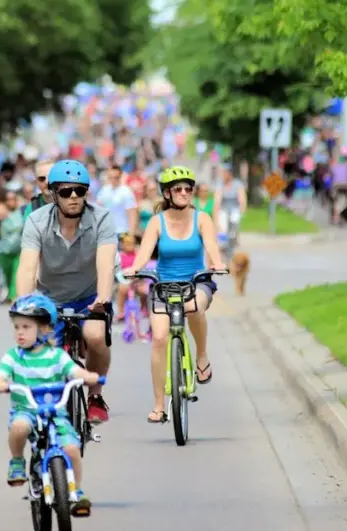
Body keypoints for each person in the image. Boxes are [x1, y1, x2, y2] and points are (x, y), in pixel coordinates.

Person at [16, 159, 117, 424]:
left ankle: (95, 395)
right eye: (65, 191)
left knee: (96, 336)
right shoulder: (36, 221)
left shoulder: (102, 219)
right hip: (50, 299)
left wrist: (103, 298)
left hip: (90, 297)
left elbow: (105, 264)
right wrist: (24, 306)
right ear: (53, 194)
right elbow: (27, 268)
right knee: (47, 357)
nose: (73, 197)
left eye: (80, 191)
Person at [124, 166, 226, 424]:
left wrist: (217, 263)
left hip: (196, 281)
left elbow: (212, 245)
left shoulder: (201, 218)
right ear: (167, 193)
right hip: (163, 285)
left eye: (188, 189)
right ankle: (159, 406)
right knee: (159, 338)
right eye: (178, 189)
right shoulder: (157, 221)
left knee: (193, 307)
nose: (184, 193)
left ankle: (201, 355)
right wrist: (135, 268)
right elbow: (145, 250)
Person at [0, 294, 98, 517]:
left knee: (71, 448)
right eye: (17, 327)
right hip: (26, 410)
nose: (19, 332)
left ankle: (75, 492)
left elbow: (73, 370)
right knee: (19, 428)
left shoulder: (57, 355)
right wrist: (0, 383)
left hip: (56, 412)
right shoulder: (14, 356)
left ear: (45, 330)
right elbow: (1, 375)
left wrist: (87, 376)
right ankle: (18, 460)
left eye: (26, 327)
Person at [96, 164, 137, 238]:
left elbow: (132, 214)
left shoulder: (126, 191)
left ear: (120, 176)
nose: (113, 179)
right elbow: (98, 210)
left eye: (116, 177)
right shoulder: (104, 190)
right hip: (107, 232)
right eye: (110, 177)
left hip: (122, 232)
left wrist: (131, 234)